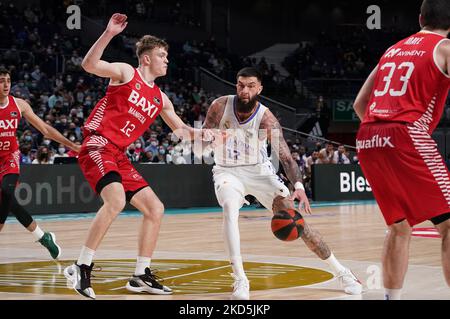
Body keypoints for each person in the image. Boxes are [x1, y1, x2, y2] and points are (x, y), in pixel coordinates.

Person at [63, 13, 218, 299]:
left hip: (118, 155)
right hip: (98, 144)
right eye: (161, 55)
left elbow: (182, 131)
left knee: (155, 209)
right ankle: (81, 266)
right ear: (146, 58)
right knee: (116, 200)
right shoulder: (126, 72)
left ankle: (140, 275)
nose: (166, 60)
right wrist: (109, 33)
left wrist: (206, 135)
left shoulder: (161, 97)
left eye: (167, 56)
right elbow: (89, 65)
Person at [203, 67, 362, 300]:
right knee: (229, 207)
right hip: (227, 171)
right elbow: (203, 138)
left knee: (297, 222)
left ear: (259, 88)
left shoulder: (266, 118)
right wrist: (208, 138)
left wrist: (299, 187)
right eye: (240, 85)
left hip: (259, 172)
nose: (244, 90)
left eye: (250, 86)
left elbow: (286, 158)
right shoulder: (220, 105)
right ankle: (240, 279)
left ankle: (342, 272)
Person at [353, 0, 450, 300]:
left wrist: (384, 134)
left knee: (400, 226)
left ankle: (391, 299)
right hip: (407, 133)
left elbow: (360, 104)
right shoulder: (445, 47)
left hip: (368, 136)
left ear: (420, 18)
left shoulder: (392, 50)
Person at [0, 68, 79, 260]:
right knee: (11, 204)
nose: (6, 85)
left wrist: (72, 145)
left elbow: (45, 129)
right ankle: (44, 237)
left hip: (9, 159)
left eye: (8, 80)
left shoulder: (19, 105)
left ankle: (44, 238)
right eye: (2, 80)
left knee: (7, 194)